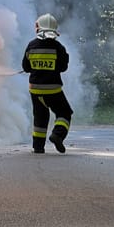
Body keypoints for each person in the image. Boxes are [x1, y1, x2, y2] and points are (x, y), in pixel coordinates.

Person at [22, 13, 72, 154]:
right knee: (64, 113)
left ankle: (38, 147)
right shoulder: (58, 47)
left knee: (40, 117)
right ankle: (57, 135)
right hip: (53, 90)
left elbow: (26, 67)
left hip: (35, 90)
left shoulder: (31, 46)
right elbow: (63, 67)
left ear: (38, 28)